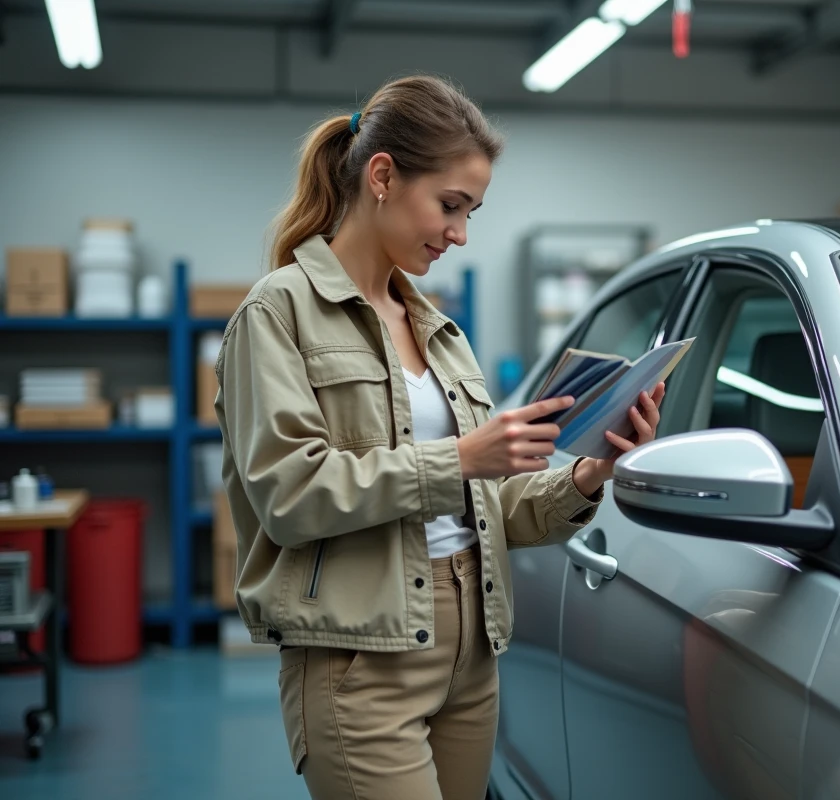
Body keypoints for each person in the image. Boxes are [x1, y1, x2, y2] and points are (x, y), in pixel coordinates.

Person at [213, 75, 665, 800]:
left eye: (471, 213)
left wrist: (590, 476)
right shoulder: (278, 312)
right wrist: (459, 459)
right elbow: (289, 497)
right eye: (450, 206)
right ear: (383, 177)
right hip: (361, 659)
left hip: (473, 655)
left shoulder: (440, 332)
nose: (460, 233)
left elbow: (488, 509)